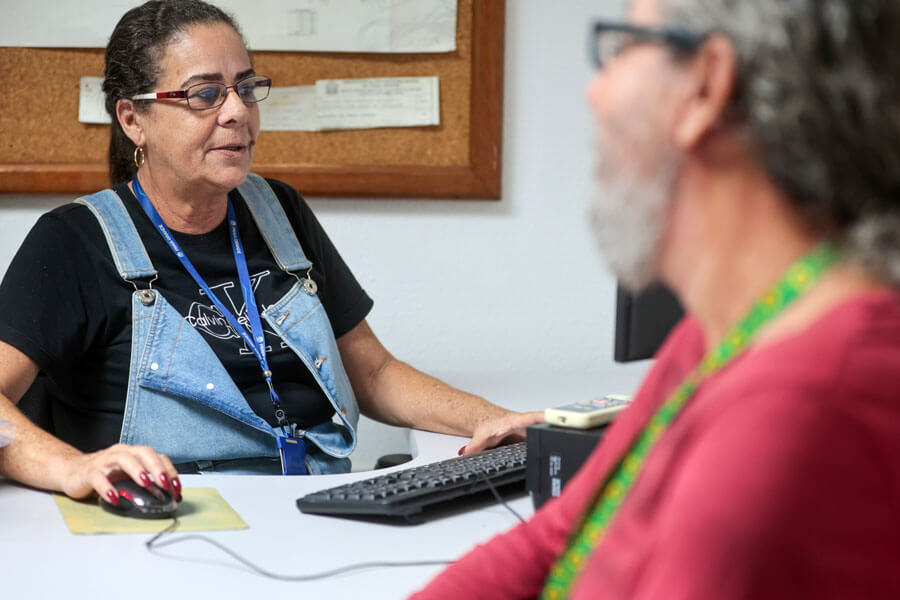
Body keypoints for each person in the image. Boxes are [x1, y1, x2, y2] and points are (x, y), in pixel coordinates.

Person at [412, 0, 900, 597]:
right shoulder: (727, 327)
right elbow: (560, 536)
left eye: (621, 47)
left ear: (705, 87)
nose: (596, 91)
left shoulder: (798, 417)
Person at [0, 0, 540, 507]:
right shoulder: (75, 240)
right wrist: (73, 468)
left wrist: (492, 419)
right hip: (178, 520)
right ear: (133, 119)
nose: (237, 111)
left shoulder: (277, 210)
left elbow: (372, 374)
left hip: (313, 504)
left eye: (245, 87)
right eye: (204, 94)